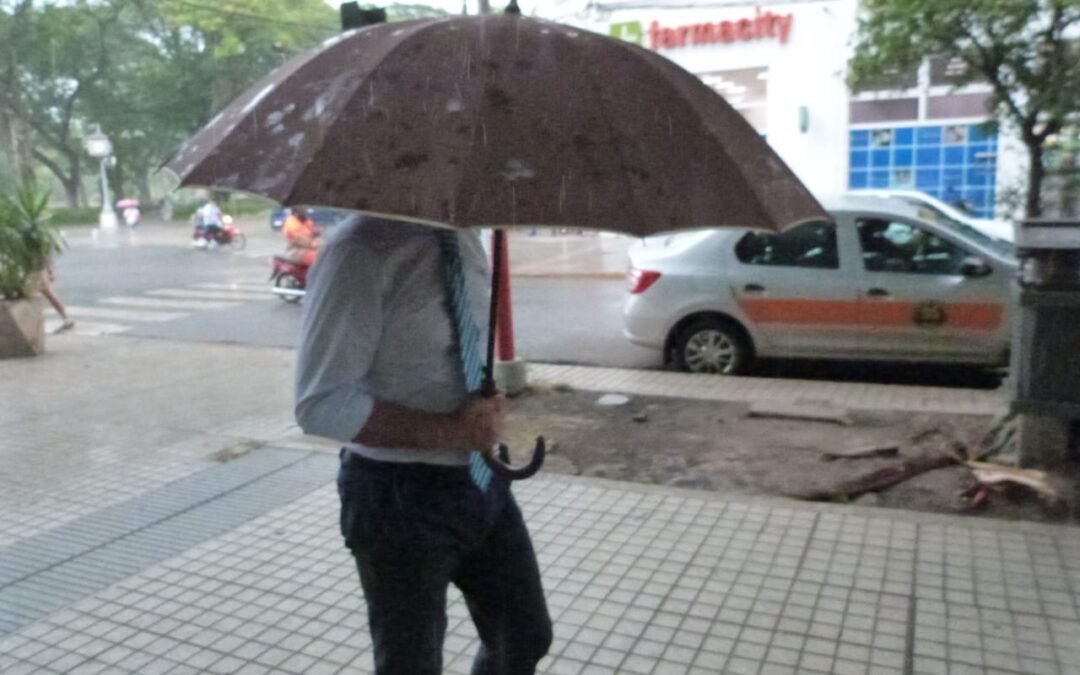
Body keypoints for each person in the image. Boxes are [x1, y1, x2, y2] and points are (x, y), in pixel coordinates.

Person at [295, 216, 552, 675]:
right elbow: (321, 403)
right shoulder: (358, 251)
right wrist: (453, 431)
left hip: (481, 479)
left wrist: (482, 400)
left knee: (524, 636)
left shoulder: (466, 237)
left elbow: (449, 357)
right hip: (397, 500)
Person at [28, 256, 74, 333]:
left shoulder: (35, 246)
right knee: (50, 296)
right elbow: (46, 258)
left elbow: (45, 257)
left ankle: (33, 326)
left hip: (36, 273)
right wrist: (50, 272)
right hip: (38, 272)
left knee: (29, 298)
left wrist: (50, 272)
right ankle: (66, 318)